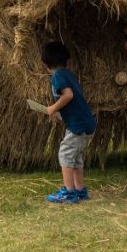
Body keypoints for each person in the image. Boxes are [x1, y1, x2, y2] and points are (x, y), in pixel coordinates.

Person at [41, 41, 97, 205]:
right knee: (76, 157)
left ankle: (69, 193)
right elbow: (71, 101)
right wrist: (58, 112)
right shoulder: (68, 74)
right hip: (84, 122)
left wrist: (52, 108)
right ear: (66, 59)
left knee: (65, 155)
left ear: (45, 62)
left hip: (78, 125)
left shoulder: (58, 76)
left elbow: (68, 96)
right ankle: (79, 190)